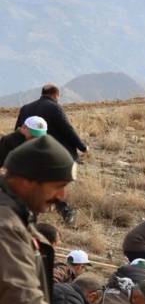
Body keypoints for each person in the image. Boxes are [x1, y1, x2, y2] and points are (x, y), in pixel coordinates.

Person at [0, 135, 85, 304]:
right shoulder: (6, 228)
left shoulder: (17, 217)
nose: (62, 196)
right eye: (57, 185)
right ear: (27, 181)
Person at [15, 84, 87, 224]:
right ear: (55, 95)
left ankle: (28, 214)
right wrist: (82, 147)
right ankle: (65, 211)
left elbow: (18, 130)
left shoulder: (26, 108)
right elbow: (67, 130)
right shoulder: (54, 107)